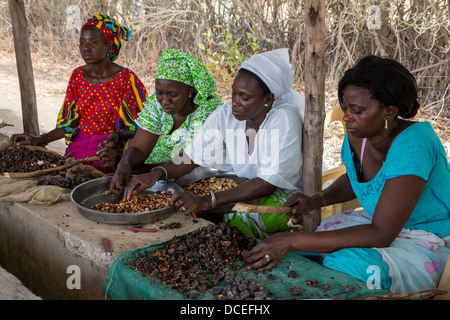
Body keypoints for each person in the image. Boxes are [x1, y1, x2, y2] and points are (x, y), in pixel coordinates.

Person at [243, 55, 450, 294]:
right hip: (379, 223)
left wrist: (290, 240)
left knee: (343, 264)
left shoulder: (414, 144)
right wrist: (317, 199)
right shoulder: (358, 135)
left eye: (357, 110)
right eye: (345, 108)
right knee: (307, 253)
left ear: (389, 112)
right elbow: (359, 179)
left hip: (428, 239)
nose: (347, 117)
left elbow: (381, 234)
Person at [122, 48, 305, 239]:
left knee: (232, 225)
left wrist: (207, 201)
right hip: (243, 188)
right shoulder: (228, 114)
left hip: (285, 193)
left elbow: (268, 183)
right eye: (234, 93)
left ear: (268, 99)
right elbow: (192, 154)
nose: (235, 102)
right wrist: (158, 173)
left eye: (245, 97)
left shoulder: (284, 118)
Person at [10, 14, 148, 173]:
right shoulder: (77, 76)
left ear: (109, 47)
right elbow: (69, 123)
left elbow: (143, 128)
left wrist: (118, 138)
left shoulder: (127, 80)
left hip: (110, 152)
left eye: (93, 42)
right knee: (67, 175)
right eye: (82, 42)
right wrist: (41, 139)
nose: (86, 48)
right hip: (80, 149)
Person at [108, 49, 223, 191]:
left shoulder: (210, 111)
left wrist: (148, 171)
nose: (164, 101)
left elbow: (197, 160)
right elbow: (139, 149)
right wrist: (125, 162)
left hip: (196, 179)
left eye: (173, 94)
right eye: (159, 92)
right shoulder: (157, 105)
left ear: (190, 90)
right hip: (156, 173)